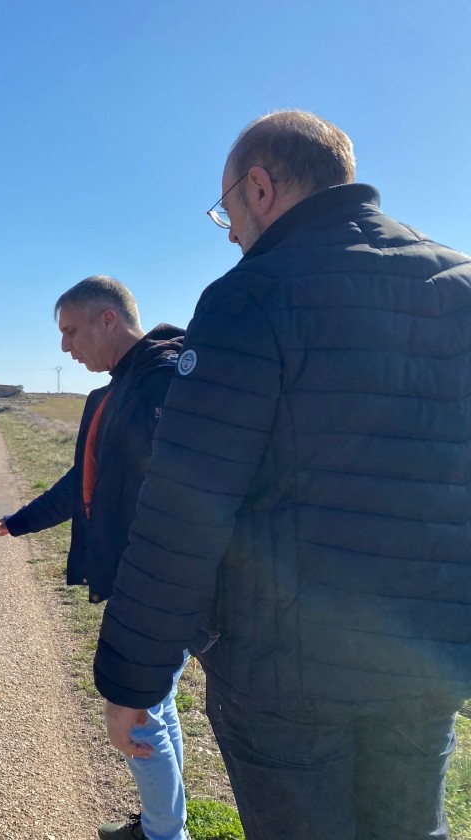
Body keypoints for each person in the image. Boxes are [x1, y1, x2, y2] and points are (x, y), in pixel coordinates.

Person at [95, 110, 471, 840]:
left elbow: (186, 505)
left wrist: (131, 678)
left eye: (226, 212)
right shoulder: (459, 286)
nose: (231, 232)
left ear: (260, 187)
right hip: (426, 659)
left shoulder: (251, 296)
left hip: (285, 674)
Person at [0, 276, 187, 840]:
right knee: (158, 707)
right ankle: (161, 823)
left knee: (140, 709)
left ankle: (166, 834)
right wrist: (21, 521)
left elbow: (182, 496)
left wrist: (157, 584)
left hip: (159, 585)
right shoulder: (119, 390)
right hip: (138, 578)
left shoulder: (165, 381)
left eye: (71, 331)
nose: (66, 348)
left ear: (108, 321)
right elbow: (86, 481)